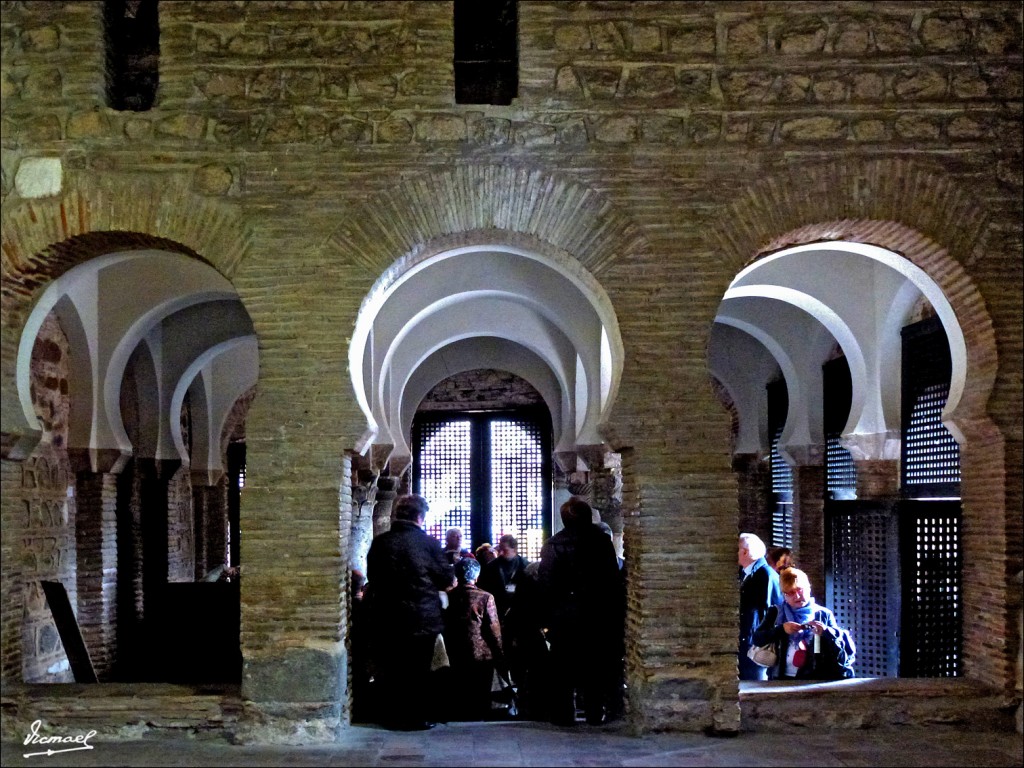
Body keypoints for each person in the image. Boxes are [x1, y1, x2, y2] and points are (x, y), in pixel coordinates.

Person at [365, 494, 455, 730]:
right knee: (419, 671)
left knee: (392, 668)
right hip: (421, 618)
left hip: (387, 616)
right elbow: (446, 579)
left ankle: (392, 716)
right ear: (419, 517)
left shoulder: (380, 543)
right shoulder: (429, 544)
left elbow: (373, 577)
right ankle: (416, 717)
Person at [539, 496, 623, 726]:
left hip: (564, 616)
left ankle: (564, 715)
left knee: (563, 668)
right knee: (594, 666)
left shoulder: (553, 545)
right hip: (596, 613)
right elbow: (611, 580)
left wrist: (547, 618)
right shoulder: (601, 542)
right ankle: (595, 713)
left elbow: (546, 584)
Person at [751, 566, 856, 680]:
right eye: (790, 593)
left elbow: (837, 645)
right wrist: (781, 630)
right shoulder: (775, 612)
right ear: (784, 595)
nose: (797, 596)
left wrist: (825, 632)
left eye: (800, 590)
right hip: (781, 676)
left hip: (814, 677)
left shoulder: (823, 614)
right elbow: (757, 639)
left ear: (809, 588)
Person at [442, 557, 506, 720]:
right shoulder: (485, 597)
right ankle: (478, 716)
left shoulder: (449, 597)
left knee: (459, 689)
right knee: (480, 691)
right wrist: (499, 651)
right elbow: (493, 628)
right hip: (481, 654)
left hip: (453, 650)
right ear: (476, 577)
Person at [478, 534, 531, 689]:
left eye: (504, 549)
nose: (500, 553)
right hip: (499, 614)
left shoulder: (525, 566)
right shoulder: (491, 568)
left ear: (514, 549)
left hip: (520, 615)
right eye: (499, 549)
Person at [738, 532, 783, 682]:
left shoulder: (765, 575)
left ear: (745, 552)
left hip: (754, 645)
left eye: (737, 549)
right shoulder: (747, 573)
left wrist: (758, 638)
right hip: (746, 642)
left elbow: (770, 611)